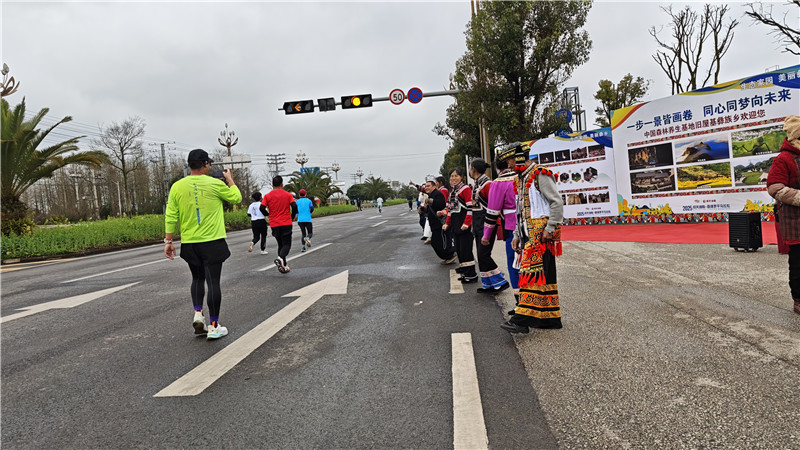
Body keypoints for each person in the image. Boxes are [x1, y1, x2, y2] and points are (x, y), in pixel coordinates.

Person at [164, 149, 241, 340]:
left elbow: (171, 214)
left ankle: (198, 314)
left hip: (190, 243)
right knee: (213, 282)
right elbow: (236, 198)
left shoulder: (177, 187)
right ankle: (214, 326)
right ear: (205, 164)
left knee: (197, 279)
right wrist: (229, 180)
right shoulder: (215, 184)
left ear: (190, 165)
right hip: (213, 241)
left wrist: (168, 240)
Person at [500, 142, 564, 334]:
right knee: (543, 276)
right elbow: (520, 211)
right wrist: (517, 234)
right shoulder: (521, 179)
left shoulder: (540, 174)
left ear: (518, 157)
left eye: (509, 160)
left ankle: (522, 319)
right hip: (529, 234)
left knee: (531, 275)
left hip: (540, 234)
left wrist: (550, 227)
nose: (508, 165)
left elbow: (556, 202)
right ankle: (549, 318)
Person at [766, 115, 800, 315]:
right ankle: (798, 299)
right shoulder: (783, 159)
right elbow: (774, 187)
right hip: (795, 219)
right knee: (798, 263)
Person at [483, 145, 521, 300]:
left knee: (515, 263)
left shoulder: (499, 182)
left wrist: (486, 235)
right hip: (532, 225)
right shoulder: (526, 176)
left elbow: (492, 212)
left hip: (512, 228)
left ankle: (521, 305)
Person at [470, 158, 510, 294]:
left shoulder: (488, 184)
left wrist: (489, 228)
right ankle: (488, 284)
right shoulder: (477, 184)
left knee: (483, 254)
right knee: (481, 255)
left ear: (473, 170)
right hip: (478, 224)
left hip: (487, 224)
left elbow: (494, 208)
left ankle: (500, 281)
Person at [443, 168, 478, 283]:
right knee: (459, 249)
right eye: (452, 176)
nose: (453, 178)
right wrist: (447, 223)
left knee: (466, 249)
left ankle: (471, 274)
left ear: (461, 177)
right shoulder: (452, 191)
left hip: (463, 224)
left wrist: (467, 223)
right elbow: (450, 209)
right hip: (455, 223)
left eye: (456, 176)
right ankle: (464, 269)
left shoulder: (465, 189)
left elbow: (470, 207)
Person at [260, 176, 298, 273]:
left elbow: (262, 208)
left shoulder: (267, 196)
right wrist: (292, 216)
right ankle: (280, 258)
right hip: (286, 222)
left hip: (274, 224)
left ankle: (284, 266)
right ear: (282, 184)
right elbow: (294, 206)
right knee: (287, 245)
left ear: (272, 185)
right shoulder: (288, 195)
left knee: (280, 244)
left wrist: (268, 215)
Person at [424, 179, 457, 264]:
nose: (426, 188)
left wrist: (430, 201)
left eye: (428, 186)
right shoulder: (431, 195)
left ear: (434, 186)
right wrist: (422, 209)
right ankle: (448, 256)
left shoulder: (438, 194)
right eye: (425, 186)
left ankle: (451, 255)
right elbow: (430, 209)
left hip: (440, 223)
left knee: (441, 241)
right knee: (437, 242)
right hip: (434, 224)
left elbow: (441, 204)